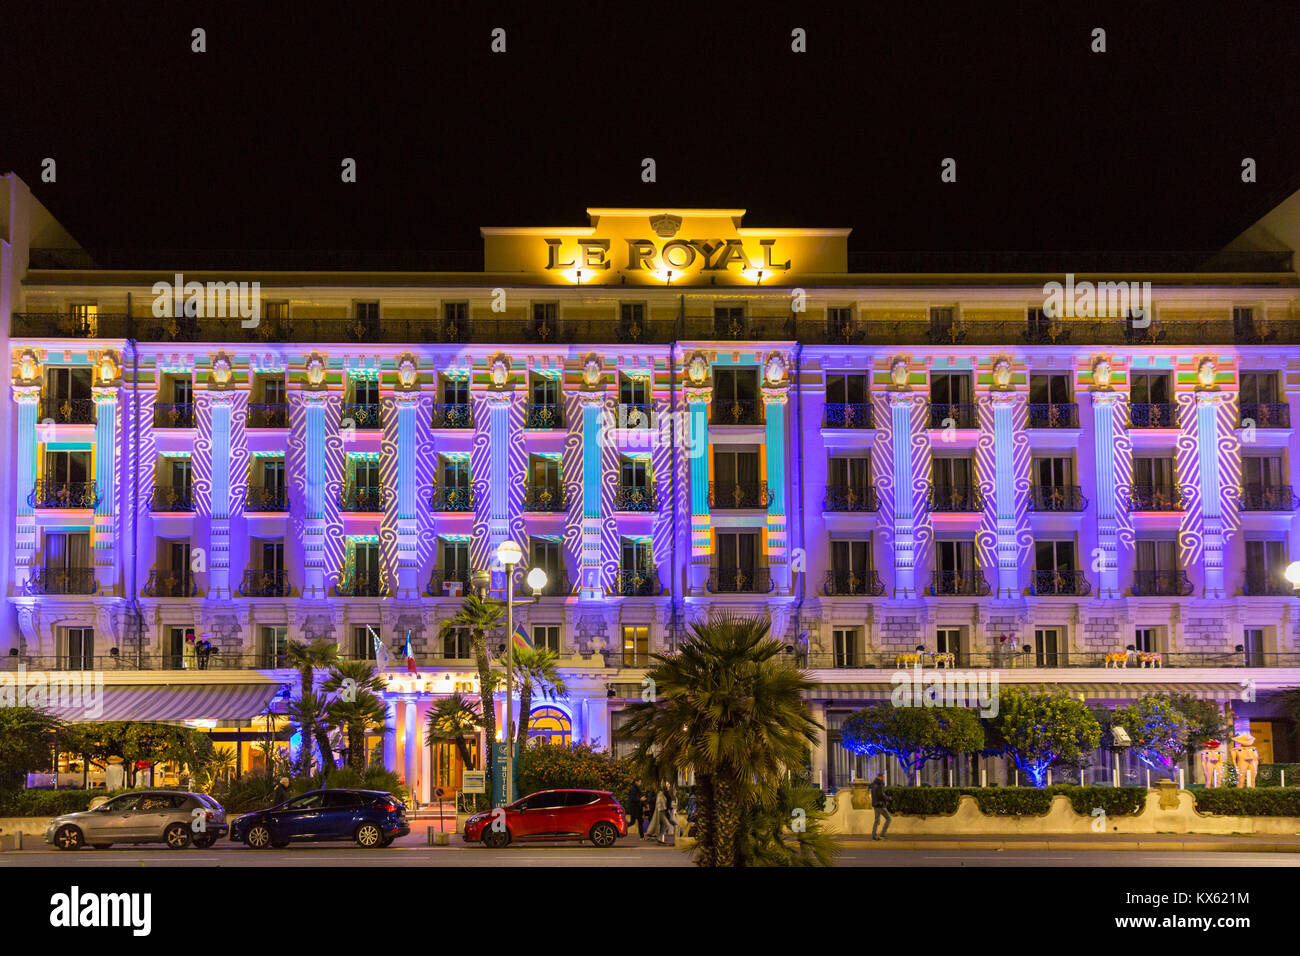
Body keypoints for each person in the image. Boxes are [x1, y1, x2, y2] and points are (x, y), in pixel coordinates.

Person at [870, 772, 891, 841]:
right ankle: (882, 834)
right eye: (883, 777)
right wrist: (888, 798)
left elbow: (875, 794)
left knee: (876, 820)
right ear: (880, 777)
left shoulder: (873, 784)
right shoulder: (879, 784)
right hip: (880, 805)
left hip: (875, 804)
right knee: (888, 818)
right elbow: (881, 795)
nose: (884, 778)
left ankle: (874, 835)